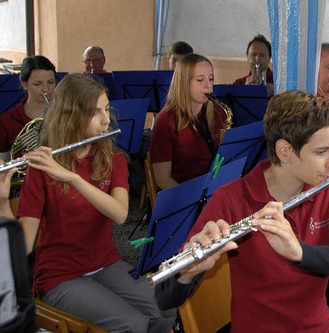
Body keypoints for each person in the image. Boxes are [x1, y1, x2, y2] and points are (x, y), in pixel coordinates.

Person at [155, 90, 329, 333]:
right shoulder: (231, 199)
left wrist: (300, 253)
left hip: (320, 328)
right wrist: (186, 274)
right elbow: (164, 299)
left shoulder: (327, 191)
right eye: (322, 152)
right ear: (284, 151)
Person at [11, 73, 174, 332]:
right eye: (96, 112)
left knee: (165, 310)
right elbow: (24, 244)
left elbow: (120, 214)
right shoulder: (43, 168)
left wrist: (73, 178)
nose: (106, 119)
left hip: (105, 262)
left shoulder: (113, 159)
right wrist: (0, 202)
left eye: (107, 109)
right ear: (71, 115)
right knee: (134, 325)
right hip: (60, 275)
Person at [151, 53, 230, 190]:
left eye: (211, 79)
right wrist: (195, 202)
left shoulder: (219, 114)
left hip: (211, 192)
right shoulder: (166, 122)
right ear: (183, 83)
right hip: (180, 197)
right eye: (200, 80)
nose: (208, 86)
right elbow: (162, 179)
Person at [0, 55, 56, 161]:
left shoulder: (65, 115)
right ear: (24, 84)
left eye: (51, 82)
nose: (46, 89)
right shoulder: (7, 121)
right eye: (37, 84)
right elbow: (2, 162)